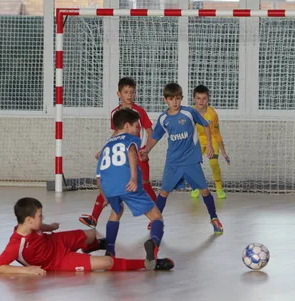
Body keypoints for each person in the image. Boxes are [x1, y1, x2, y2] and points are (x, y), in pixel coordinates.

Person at [0, 197, 173, 275]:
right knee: (106, 263)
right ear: (28, 220)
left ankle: (91, 246)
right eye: (41, 216)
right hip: (57, 261)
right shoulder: (16, 244)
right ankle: (149, 264)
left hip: (54, 241)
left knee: (89, 234)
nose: (43, 218)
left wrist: (51, 227)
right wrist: (26, 270)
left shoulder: (30, 226)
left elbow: (40, 228)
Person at [140, 82, 224, 234]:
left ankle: (214, 218)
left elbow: (205, 125)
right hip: (173, 162)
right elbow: (155, 137)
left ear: (182, 98)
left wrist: (210, 145)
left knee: (204, 190)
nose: (175, 102)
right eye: (171, 99)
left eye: (178, 98)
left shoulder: (189, 112)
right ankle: (155, 220)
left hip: (191, 160)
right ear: (165, 100)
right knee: (164, 192)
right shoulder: (163, 118)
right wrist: (146, 150)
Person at [79, 77, 156, 229]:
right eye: (126, 92)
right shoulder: (115, 112)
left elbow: (149, 130)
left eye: (132, 92)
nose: (129, 95)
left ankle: (155, 218)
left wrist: (146, 149)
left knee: (145, 185)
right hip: (121, 158)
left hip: (137, 154)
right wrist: (104, 149)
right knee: (109, 183)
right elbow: (117, 133)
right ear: (118, 93)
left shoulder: (139, 111)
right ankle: (94, 217)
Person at [96, 108, 165, 269]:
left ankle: (110, 251)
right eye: (136, 126)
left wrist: (104, 194)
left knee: (116, 212)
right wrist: (134, 178)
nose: (138, 130)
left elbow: (98, 175)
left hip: (108, 186)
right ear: (127, 126)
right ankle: (153, 244)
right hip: (127, 183)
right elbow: (132, 153)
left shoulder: (106, 145)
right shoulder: (129, 139)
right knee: (156, 217)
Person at [191, 85, 230, 199]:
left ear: (208, 99)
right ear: (194, 99)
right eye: (198, 98)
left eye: (204, 98)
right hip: (197, 139)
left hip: (211, 138)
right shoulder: (190, 112)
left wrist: (223, 152)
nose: (201, 101)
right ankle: (195, 187)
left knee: (213, 163)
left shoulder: (212, 114)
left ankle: (219, 188)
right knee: (193, 164)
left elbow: (217, 133)